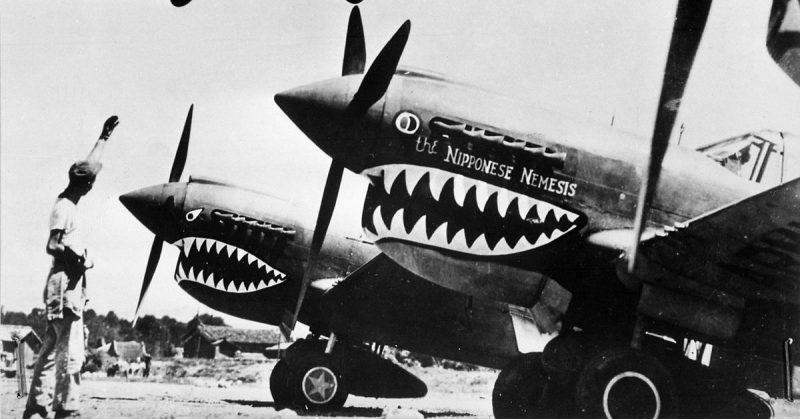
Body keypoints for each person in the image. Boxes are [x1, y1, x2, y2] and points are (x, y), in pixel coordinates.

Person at [23, 116, 119, 419]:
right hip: (67, 287)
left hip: (63, 286)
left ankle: (38, 405)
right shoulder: (66, 208)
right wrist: (77, 259)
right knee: (71, 354)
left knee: (51, 350)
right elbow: (52, 245)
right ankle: (66, 408)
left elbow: (89, 165)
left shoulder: (67, 201)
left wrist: (103, 138)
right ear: (87, 185)